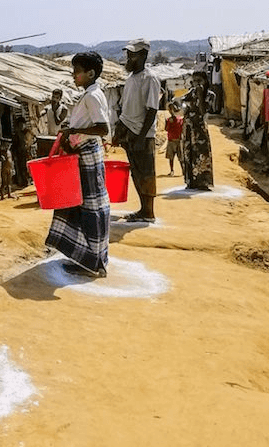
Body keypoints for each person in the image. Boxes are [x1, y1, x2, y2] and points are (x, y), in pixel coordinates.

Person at [46, 52, 110, 278]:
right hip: (85, 153)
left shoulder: (92, 96)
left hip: (87, 155)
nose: (74, 76)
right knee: (86, 206)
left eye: (77, 72)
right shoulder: (92, 94)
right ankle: (92, 259)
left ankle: (93, 262)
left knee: (90, 208)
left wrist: (74, 131)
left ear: (90, 73)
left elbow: (103, 128)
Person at [113, 38, 160, 223]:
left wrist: (141, 137)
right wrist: (119, 132)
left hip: (142, 134)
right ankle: (143, 209)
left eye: (132, 55)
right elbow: (126, 109)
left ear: (143, 56)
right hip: (129, 132)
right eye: (128, 54)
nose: (128, 58)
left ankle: (149, 212)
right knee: (136, 172)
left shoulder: (150, 79)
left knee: (146, 173)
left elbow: (152, 110)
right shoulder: (131, 79)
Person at [173, 70, 215, 190]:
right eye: (194, 81)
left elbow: (203, 111)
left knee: (202, 154)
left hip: (200, 128)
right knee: (188, 154)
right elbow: (180, 106)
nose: (196, 83)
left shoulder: (210, 95)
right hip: (188, 127)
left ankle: (203, 182)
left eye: (199, 81)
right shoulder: (190, 93)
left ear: (205, 81)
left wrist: (200, 95)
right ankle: (190, 182)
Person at [164, 103, 183, 176]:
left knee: (172, 158)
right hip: (177, 140)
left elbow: (167, 129)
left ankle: (173, 171)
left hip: (173, 140)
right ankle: (182, 171)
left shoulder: (171, 120)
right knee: (179, 158)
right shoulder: (179, 119)